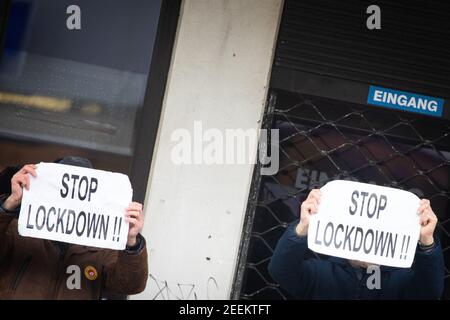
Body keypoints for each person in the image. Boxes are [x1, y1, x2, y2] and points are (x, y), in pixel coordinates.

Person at [0, 157, 148, 299]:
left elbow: (130, 284)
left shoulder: (102, 249)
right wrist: (10, 202)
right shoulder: (18, 231)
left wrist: (131, 242)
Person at [268, 188, 445, 300]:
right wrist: (304, 226)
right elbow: (280, 270)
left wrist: (426, 242)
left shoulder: (398, 281)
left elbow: (429, 292)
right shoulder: (319, 274)